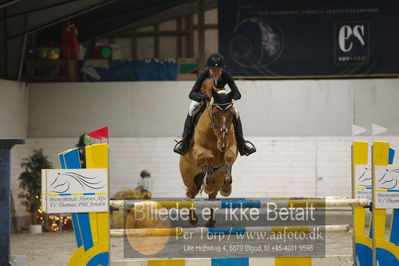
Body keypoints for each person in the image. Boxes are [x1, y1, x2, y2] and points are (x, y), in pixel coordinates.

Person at [173, 53, 256, 156]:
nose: (215, 72)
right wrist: (203, 97)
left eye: (218, 70)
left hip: (222, 101)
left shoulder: (226, 75)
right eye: (213, 70)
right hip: (204, 98)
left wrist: (227, 97)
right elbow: (192, 94)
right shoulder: (204, 75)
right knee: (191, 110)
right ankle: (184, 143)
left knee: (236, 113)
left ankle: (242, 144)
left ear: (222, 69)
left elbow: (238, 94)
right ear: (209, 69)